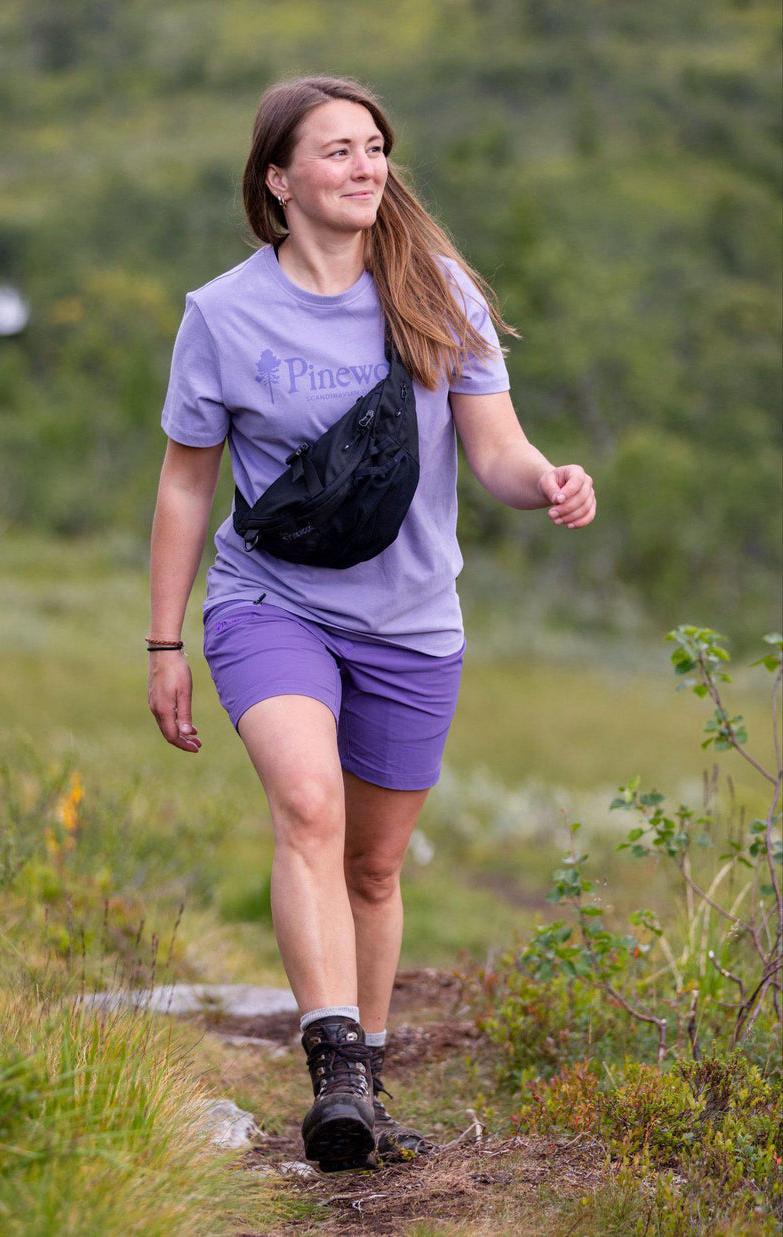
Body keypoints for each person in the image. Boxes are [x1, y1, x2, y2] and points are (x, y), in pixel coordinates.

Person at [147, 75, 596, 1172]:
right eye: (337, 150)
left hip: (411, 620)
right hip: (272, 600)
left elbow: (496, 450)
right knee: (309, 805)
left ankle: (372, 1083)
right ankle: (335, 1069)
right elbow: (186, 484)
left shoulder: (435, 289)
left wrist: (546, 480)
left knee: (376, 866)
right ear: (278, 179)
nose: (365, 166)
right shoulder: (223, 314)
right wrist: (164, 641)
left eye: (375, 147)